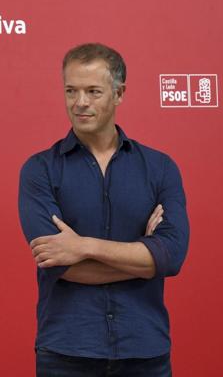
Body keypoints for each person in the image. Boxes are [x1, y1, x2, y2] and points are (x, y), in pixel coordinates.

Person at [18, 43, 189, 376]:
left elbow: (173, 255)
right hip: (66, 352)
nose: (80, 102)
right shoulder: (40, 170)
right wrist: (146, 259)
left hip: (145, 351)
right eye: (71, 90)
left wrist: (83, 247)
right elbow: (58, 265)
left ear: (119, 93)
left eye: (93, 91)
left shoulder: (159, 168)